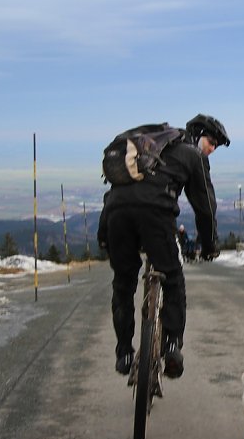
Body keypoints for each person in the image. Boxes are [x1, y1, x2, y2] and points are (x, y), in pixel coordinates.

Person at [98, 114, 230, 379]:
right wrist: (209, 245)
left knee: (123, 284)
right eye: (212, 142)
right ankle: (172, 347)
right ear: (198, 134)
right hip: (155, 216)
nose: (212, 149)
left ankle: (123, 352)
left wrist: (104, 237)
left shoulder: (149, 147)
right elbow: (205, 207)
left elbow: (115, 194)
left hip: (115, 216)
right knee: (172, 279)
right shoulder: (193, 155)